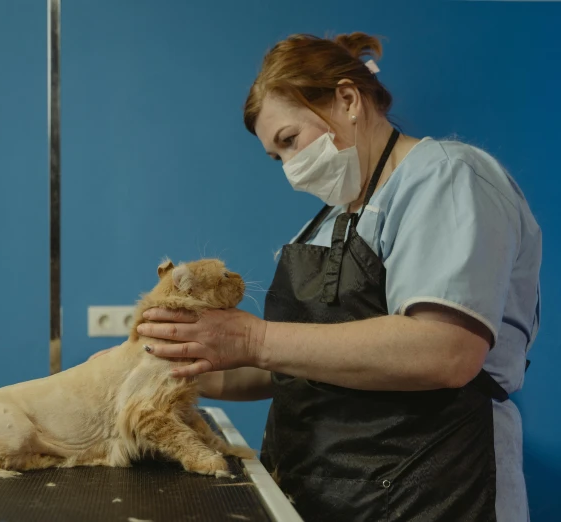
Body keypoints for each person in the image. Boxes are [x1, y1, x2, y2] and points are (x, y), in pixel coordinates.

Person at [90, 32, 541, 521]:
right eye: (276, 157)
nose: (290, 167)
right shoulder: (331, 217)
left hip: (433, 489)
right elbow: (295, 361)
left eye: (290, 141)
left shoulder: (448, 178)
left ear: (348, 99)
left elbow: (446, 351)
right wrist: (180, 363)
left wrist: (253, 337)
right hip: (322, 487)